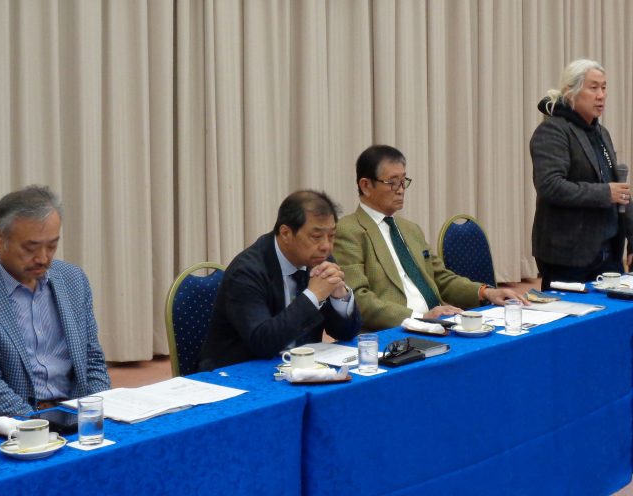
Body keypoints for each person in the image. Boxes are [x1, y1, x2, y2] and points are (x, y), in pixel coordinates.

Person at [0, 185, 110, 429]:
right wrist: (41, 428)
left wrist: (94, 411)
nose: (43, 258)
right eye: (30, 248)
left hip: (75, 418)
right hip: (3, 428)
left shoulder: (73, 280)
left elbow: (92, 362)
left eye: (52, 246)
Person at [333, 145, 526, 331]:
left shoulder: (410, 229)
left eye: (403, 181)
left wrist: (487, 292)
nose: (400, 189)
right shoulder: (348, 231)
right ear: (366, 186)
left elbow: (441, 278)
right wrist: (419, 317)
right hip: (394, 332)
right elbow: (358, 298)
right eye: (392, 182)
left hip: (439, 323)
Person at [200, 190, 361, 370]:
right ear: (285, 233)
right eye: (316, 237)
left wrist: (339, 297)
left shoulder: (320, 261)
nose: (326, 246)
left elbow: (345, 333)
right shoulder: (246, 272)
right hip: (237, 372)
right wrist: (313, 297)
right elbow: (262, 343)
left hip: (301, 370)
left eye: (331, 236)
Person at [529, 59, 633, 284]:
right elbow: (550, 186)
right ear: (571, 92)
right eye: (593, 88)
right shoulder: (552, 130)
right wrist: (605, 193)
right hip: (567, 254)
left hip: (608, 252)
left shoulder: (601, 133)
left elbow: (620, 191)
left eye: (604, 88)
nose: (601, 95)